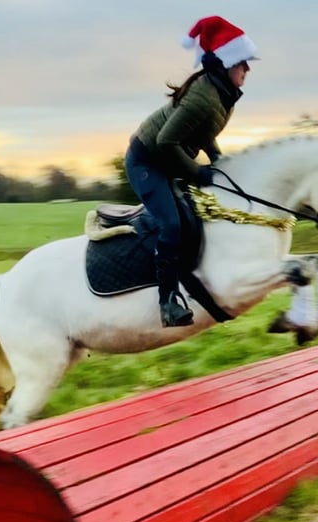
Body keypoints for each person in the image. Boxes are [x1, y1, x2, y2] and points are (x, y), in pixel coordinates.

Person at [124, 16, 259, 327]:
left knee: (199, 215)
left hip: (169, 159)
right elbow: (165, 140)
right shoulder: (204, 96)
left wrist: (219, 161)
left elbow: (203, 131)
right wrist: (199, 173)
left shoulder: (222, 94)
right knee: (171, 224)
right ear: (226, 65)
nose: (247, 70)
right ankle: (168, 301)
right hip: (147, 162)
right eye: (243, 63)